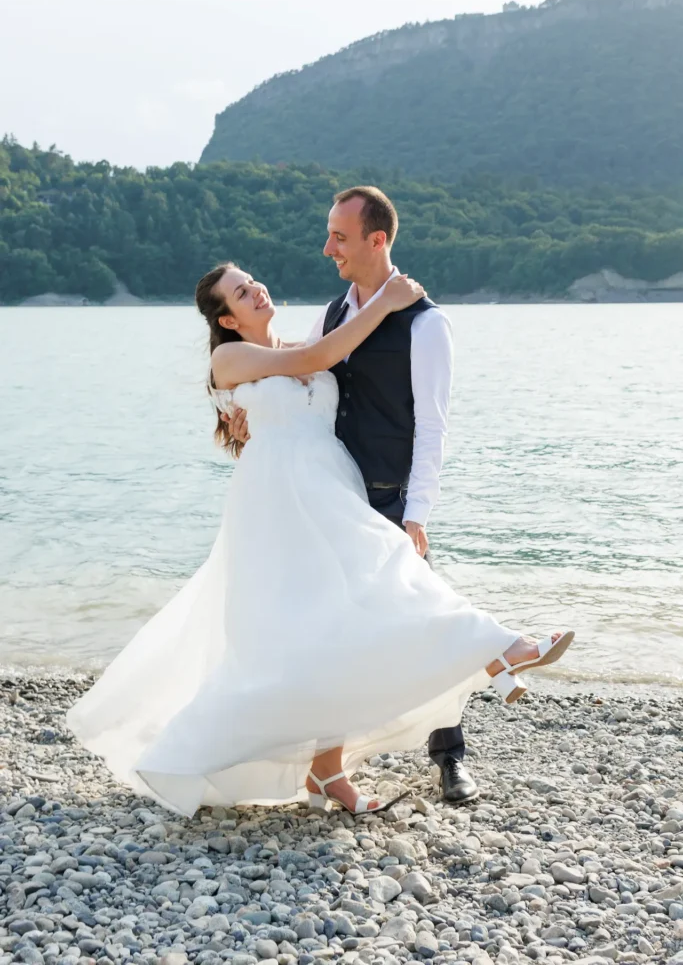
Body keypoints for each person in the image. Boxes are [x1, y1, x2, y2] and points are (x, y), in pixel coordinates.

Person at [66, 262, 574, 818]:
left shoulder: (300, 339)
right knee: (376, 579)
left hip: (331, 483)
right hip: (280, 498)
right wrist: (385, 301)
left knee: (335, 624)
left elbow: (327, 372)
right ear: (227, 319)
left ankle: (328, 771)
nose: (256, 288)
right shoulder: (229, 358)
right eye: (240, 291)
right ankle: (501, 648)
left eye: (253, 279)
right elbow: (314, 362)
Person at [225, 188, 466, 802]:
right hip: (331, 494)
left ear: (375, 240)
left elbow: (434, 427)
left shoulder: (427, 323)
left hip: (387, 495)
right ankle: (325, 764)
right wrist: (250, 413)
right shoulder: (333, 314)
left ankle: (449, 757)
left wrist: (417, 513)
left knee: (424, 615)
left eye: (338, 236)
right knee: (331, 628)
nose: (327, 246)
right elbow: (306, 372)